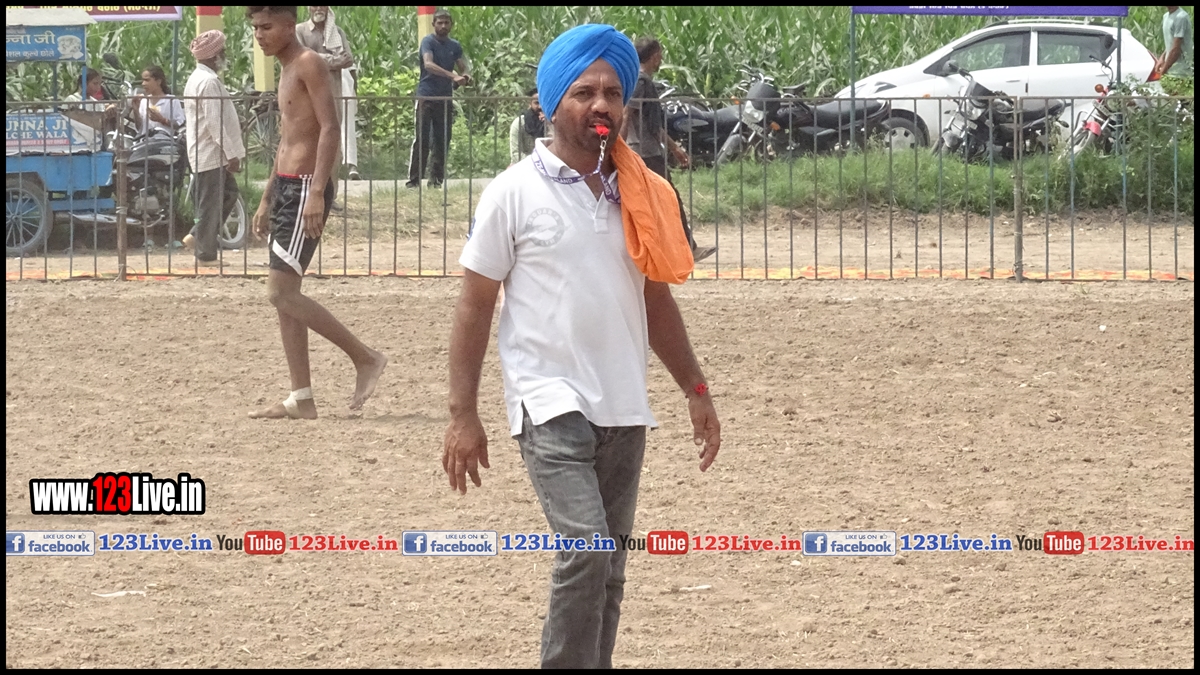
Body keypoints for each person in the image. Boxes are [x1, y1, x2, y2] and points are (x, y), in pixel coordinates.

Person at [443, 24, 721, 668]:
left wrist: (696, 388)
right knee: (588, 550)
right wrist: (462, 413)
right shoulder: (513, 192)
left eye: (613, 93)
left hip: (623, 405)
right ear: (550, 103)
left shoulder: (641, 192)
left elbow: (655, 300)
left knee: (609, 567)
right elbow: (474, 305)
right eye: (584, 92)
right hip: (548, 402)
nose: (601, 104)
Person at [246, 6, 387, 420]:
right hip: (288, 186)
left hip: (306, 186)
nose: (260, 35)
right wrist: (267, 197)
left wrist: (317, 192)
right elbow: (287, 140)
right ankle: (301, 397)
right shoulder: (286, 69)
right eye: (255, 28)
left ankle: (365, 358)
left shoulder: (309, 63)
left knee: (281, 292)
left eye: (267, 26)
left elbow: (330, 127)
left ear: (290, 25)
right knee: (285, 297)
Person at [621, 36, 717, 263]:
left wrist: (673, 148)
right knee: (668, 197)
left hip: (644, 149)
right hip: (645, 152)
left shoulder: (634, 79)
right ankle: (687, 248)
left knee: (651, 200)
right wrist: (620, 147)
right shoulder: (640, 82)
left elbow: (653, 125)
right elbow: (627, 114)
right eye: (660, 55)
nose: (661, 59)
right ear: (654, 57)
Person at [181, 30, 245, 264]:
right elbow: (214, 122)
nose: (224, 56)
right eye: (222, 52)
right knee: (210, 204)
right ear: (214, 57)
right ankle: (205, 254)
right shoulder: (207, 82)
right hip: (210, 152)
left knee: (229, 194)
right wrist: (231, 154)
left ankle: (197, 236)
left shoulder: (200, 78)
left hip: (209, 151)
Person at [406, 8, 471, 189]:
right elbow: (429, 64)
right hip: (426, 96)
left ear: (451, 25)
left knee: (442, 139)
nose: (443, 26)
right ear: (434, 24)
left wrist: (466, 75)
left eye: (446, 22)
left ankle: (436, 181)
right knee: (422, 138)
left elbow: (463, 66)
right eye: (440, 22)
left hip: (445, 97)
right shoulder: (428, 42)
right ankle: (414, 180)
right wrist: (453, 76)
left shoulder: (454, 46)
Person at [295, 5, 358, 178]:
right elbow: (302, 56)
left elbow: (348, 59)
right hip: (309, 95)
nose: (318, 8)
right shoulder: (300, 31)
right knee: (310, 139)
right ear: (309, 8)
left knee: (332, 140)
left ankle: (331, 189)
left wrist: (320, 59)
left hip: (334, 93)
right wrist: (333, 61)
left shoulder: (338, 32)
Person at [132, 65, 185, 137]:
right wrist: (135, 110)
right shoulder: (144, 101)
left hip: (165, 141)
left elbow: (179, 124)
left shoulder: (172, 101)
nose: (143, 84)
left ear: (158, 81)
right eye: (143, 80)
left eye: (147, 80)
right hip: (146, 141)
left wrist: (162, 120)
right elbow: (139, 128)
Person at [508, 86, 543, 165]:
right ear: (530, 103)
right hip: (524, 166)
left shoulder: (553, 123)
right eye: (537, 103)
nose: (540, 107)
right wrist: (537, 163)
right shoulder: (519, 123)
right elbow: (516, 154)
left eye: (543, 103)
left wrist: (549, 125)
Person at [1156, 6, 1194, 79]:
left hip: (1181, 72)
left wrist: (1163, 70)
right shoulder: (1166, 16)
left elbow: (1176, 50)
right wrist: (1162, 58)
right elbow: (1170, 43)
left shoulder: (1181, 17)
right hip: (1170, 69)